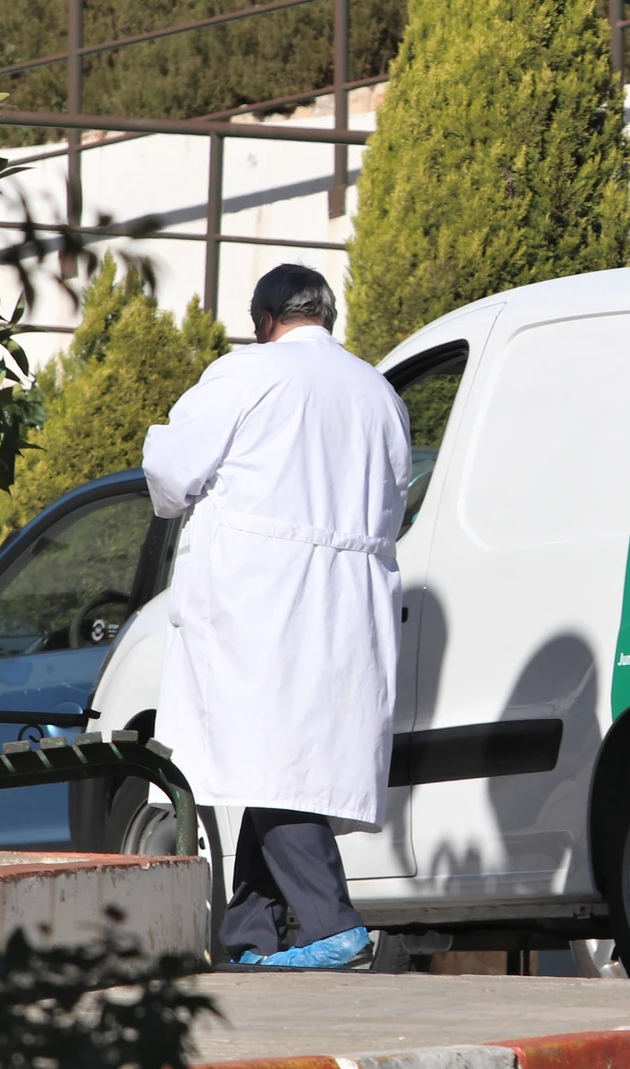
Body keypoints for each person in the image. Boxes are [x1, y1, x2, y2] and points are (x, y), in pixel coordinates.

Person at [142, 264, 410, 968]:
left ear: (264, 318)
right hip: (350, 597)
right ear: (329, 315)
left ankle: (331, 922)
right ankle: (250, 934)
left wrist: (154, 440)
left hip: (261, 596)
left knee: (267, 751)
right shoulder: (378, 392)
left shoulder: (249, 374)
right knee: (278, 759)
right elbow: (395, 504)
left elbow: (172, 479)